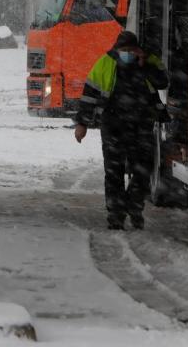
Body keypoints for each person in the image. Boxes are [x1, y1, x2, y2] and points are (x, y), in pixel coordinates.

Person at [74, 31, 168, 230]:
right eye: (123, 50)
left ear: (137, 49)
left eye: (130, 50)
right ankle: (116, 214)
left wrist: (146, 63)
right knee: (114, 172)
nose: (127, 54)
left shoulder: (149, 60)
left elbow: (163, 82)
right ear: (116, 49)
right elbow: (89, 94)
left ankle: (134, 206)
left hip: (141, 126)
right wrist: (82, 123)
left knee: (143, 170)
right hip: (113, 125)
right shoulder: (105, 63)